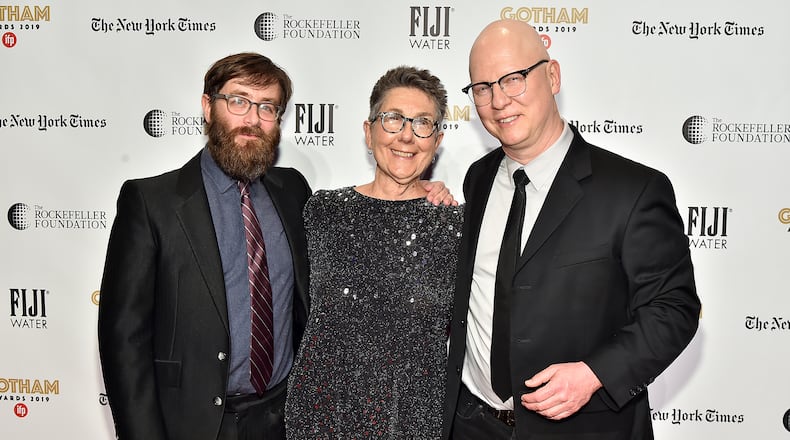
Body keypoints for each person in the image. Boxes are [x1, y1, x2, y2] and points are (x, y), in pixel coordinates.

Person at [98, 52, 453, 440]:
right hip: (193, 423)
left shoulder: (294, 193)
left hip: (285, 418)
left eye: (267, 107)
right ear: (207, 107)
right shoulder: (152, 202)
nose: (252, 119)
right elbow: (123, 340)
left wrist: (428, 194)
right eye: (239, 101)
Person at [442, 19, 701, 440]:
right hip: (470, 424)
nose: (499, 100)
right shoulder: (479, 178)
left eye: (513, 79)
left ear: (552, 75)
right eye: (483, 88)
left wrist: (595, 374)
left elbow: (674, 309)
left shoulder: (633, 190)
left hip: (584, 429)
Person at [285, 66, 463, 439]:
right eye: (393, 119)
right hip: (321, 419)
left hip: (415, 421)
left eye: (422, 123)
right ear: (369, 131)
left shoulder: (456, 226)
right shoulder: (323, 212)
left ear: (437, 140)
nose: (406, 136)